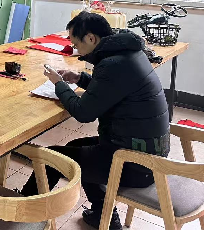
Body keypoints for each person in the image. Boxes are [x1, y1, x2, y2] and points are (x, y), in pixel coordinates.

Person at [21, 12, 170, 230]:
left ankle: (23, 214)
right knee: (78, 148)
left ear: (91, 38)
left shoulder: (112, 64)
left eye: (76, 44)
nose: (75, 50)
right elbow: (112, 89)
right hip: (146, 153)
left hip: (133, 163)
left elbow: (83, 113)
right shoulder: (128, 53)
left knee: (50, 159)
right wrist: (80, 78)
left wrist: (59, 84)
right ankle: (105, 217)